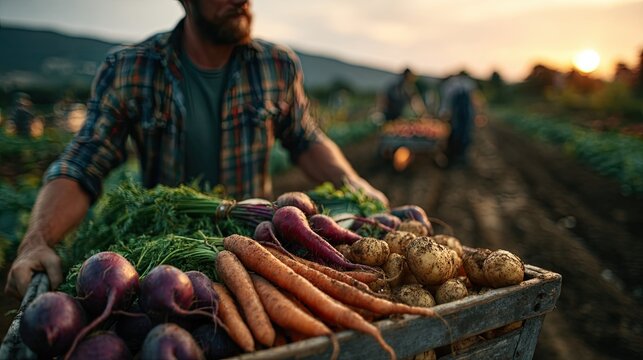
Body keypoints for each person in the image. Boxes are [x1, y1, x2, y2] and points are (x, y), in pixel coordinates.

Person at [4, 0, 388, 300]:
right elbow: (83, 162)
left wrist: (353, 182)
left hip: (259, 252)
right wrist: (37, 239)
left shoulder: (276, 66)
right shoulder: (131, 69)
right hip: (166, 260)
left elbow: (305, 139)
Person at [438, 71, 478, 166]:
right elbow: (474, 98)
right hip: (467, 112)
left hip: (458, 112)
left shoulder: (447, 86)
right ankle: (462, 156)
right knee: (466, 132)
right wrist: (477, 114)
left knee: (456, 132)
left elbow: (445, 103)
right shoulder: (468, 82)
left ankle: (454, 157)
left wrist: (442, 116)